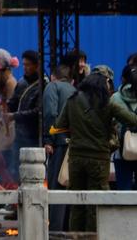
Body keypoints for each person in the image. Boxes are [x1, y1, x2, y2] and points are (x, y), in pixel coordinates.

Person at [52, 66, 137, 232]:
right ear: (102, 85)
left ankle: (76, 236)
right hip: (98, 160)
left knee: (76, 203)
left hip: (76, 158)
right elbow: (133, 120)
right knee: (95, 204)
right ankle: (92, 236)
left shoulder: (72, 100)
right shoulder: (108, 103)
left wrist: (75, 133)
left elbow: (58, 126)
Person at [43, 53, 76, 232]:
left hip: (59, 143)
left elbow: (50, 113)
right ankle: (68, 227)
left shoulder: (52, 86)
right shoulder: (75, 90)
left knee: (56, 186)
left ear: (54, 76)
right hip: (75, 143)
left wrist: (48, 139)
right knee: (69, 184)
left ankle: (55, 230)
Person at [8, 49, 43, 177]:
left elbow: (37, 112)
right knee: (15, 171)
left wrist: (14, 116)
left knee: (32, 172)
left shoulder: (43, 84)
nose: (25, 68)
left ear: (37, 66)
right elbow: (13, 103)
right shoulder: (21, 82)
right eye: (24, 64)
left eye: (28, 65)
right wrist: (3, 107)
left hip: (34, 136)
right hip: (19, 135)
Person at [112, 63, 137, 190]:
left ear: (123, 79)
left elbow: (109, 123)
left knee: (123, 190)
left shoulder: (115, 98)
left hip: (121, 150)